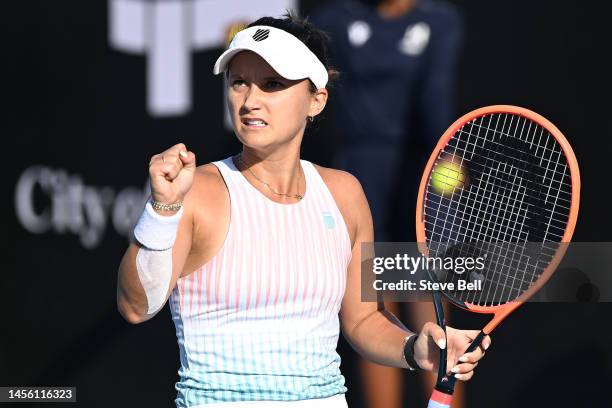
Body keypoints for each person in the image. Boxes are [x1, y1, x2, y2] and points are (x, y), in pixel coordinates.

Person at [116, 13, 488, 408]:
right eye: (239, 81)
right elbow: (136, 306)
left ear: (316, 100)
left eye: (272, 84)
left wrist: (416, 349)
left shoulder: (344, 194)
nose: (250, 100)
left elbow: (362, 321)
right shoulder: (198, 192)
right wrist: (162, 210)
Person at [310, 1, 463, 406]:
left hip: (421, 177)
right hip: (361, 177)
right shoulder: (334, 20)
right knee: (374, 313)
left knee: (431, 316)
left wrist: (440, 165)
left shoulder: (439, 21)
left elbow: (437, 98)